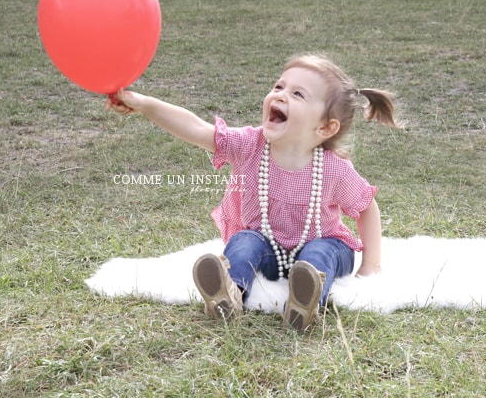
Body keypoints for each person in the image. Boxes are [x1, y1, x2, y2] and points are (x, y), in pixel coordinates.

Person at [107, 54, 401, 330]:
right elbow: (195, 127)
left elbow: (366, 207)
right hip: (268, 249)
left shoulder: (335, 169)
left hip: (323, 242)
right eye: (279, 86)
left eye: (298, 94)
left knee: (319, 253)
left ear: (325, 128)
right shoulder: (249, 146)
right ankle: (229, 293)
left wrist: (371, 264)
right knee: (245, 241)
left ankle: (305, 301)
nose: (280, 94)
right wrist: (144, 104)